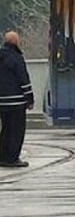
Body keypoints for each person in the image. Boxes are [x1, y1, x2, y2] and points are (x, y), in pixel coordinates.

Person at [0, 31, 33, 168]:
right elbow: (23, 79)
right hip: (16, 102)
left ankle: (2, 156)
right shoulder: (16, 58)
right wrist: (29, 98)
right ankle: (12, 158)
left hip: (2, 102)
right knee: (16, 131)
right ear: (15, 42)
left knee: (5, 130)